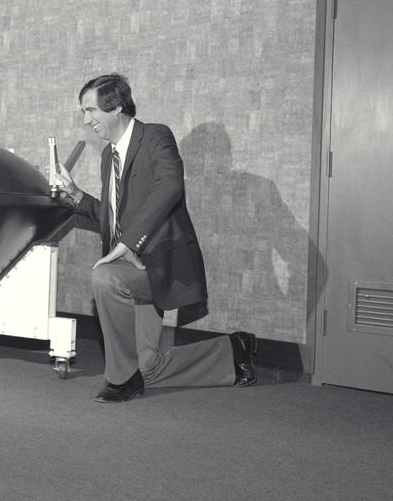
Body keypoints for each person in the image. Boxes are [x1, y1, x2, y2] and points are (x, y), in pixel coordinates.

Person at [54, 74, 258, 403]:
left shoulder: (155, 136)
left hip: (159, 263)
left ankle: (121, 381)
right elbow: (112, 215)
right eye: (83, 112)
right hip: (133, 269)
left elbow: (170, 187)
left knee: (104, 277)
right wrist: (76, 196)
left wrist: (128, 243)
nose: (85, 119)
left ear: (117, 107)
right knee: (147, 367)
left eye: (90, 110)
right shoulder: (109, 156)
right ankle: (233, 351)